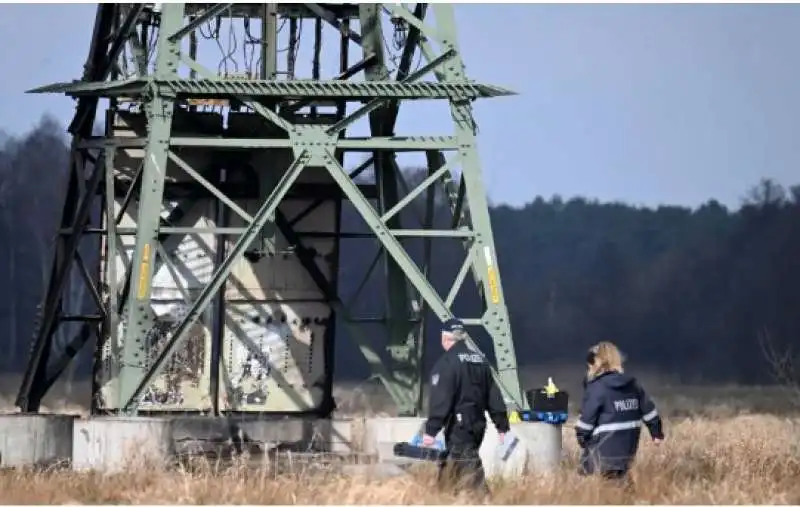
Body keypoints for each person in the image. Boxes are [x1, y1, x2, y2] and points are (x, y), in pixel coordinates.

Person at [421, 318, 510, 497]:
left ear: (445, 339)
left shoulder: (447, 363)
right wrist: (502, 425)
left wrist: (431, 430)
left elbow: (441, 400)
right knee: (451, 468)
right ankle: (444, 498)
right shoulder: (481, 361)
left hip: (460, 426)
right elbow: (494, 396)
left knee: (470, 468)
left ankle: (485, 500)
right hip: (478, 425)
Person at [575, 341, 665, 485]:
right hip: (627, 450)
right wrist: (656, 433)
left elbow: (585, 425)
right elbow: (650, 412)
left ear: (595, 363)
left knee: (585, 478)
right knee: (619, 482)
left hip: (601, 454)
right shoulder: (633, 385)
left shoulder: (596, 388)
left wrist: (582, 439)